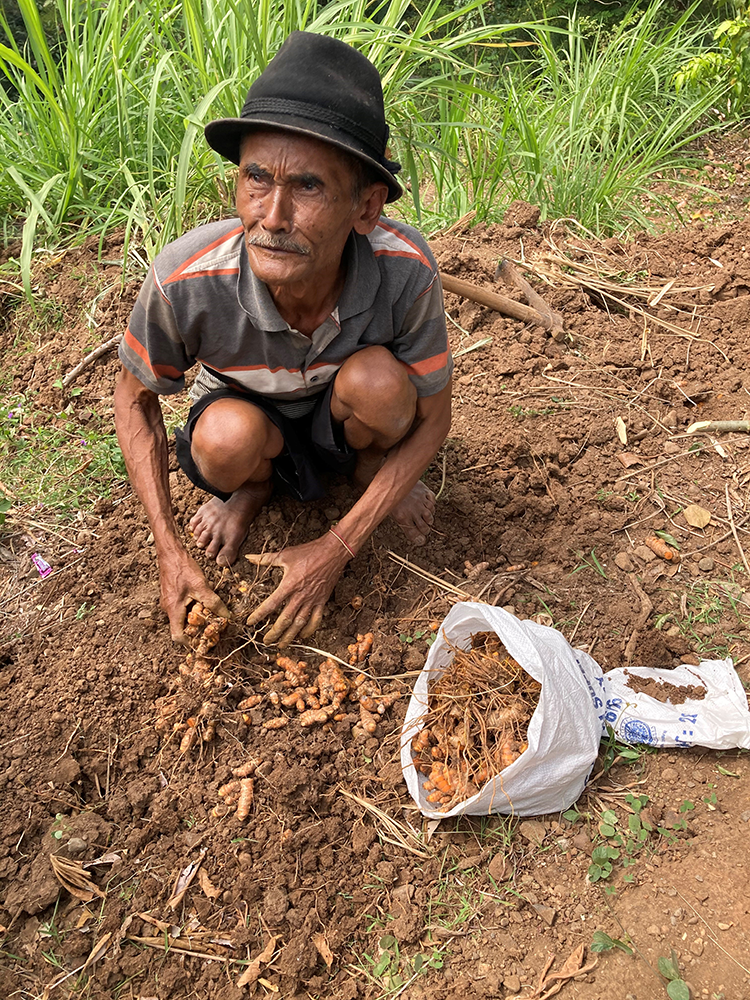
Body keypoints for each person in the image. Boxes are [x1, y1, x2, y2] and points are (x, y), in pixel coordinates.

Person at [114, 31, 452, 647]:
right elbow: (134, 401)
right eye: (257, 179)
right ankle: (254, 487)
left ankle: (371, 468)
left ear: (367, 206)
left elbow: (434, 416)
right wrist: (169, 551)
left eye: (308, 187)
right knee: (223, 440)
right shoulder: (186, 279)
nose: (272, 217)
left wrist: (337, 546)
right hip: (249, 410)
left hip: (344, 408)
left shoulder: (404, 268)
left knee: (379, 383)